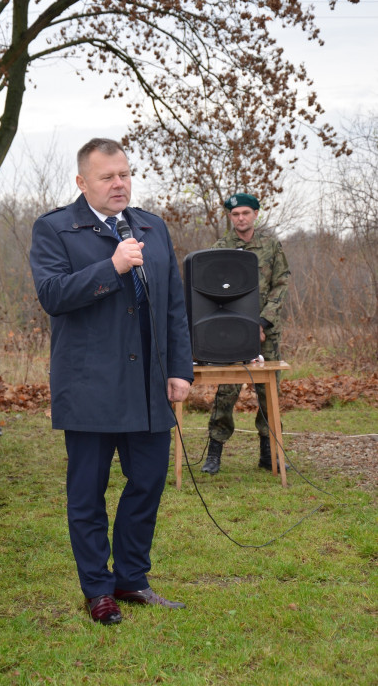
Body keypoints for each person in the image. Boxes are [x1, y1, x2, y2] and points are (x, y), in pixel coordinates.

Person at [30, 138, 193, 625]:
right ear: (83, 182)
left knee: (147, 483)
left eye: (124, 174)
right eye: (107, 177)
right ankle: (97, 589)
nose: (119, 183)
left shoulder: (152, 226)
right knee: (88, 493)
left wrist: (180, 368)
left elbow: (173, 306)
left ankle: (131, 578)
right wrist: (113, 266)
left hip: (147, 386)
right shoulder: (55, 228)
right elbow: (53, 294)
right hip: (89, 386)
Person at [201, 193, 290, 475]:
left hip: (267, 332)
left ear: (255, 214)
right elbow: (213, 293)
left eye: (246, 213)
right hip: (231, 334)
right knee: (226, 392)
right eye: (236, 214)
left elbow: (281, 283)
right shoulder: (220, 248)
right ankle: (214, 453)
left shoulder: (270, 245)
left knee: (269, 393)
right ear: (231, 217)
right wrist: (236, 328)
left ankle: (270, 454)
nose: (241, 218)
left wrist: (262, 323)